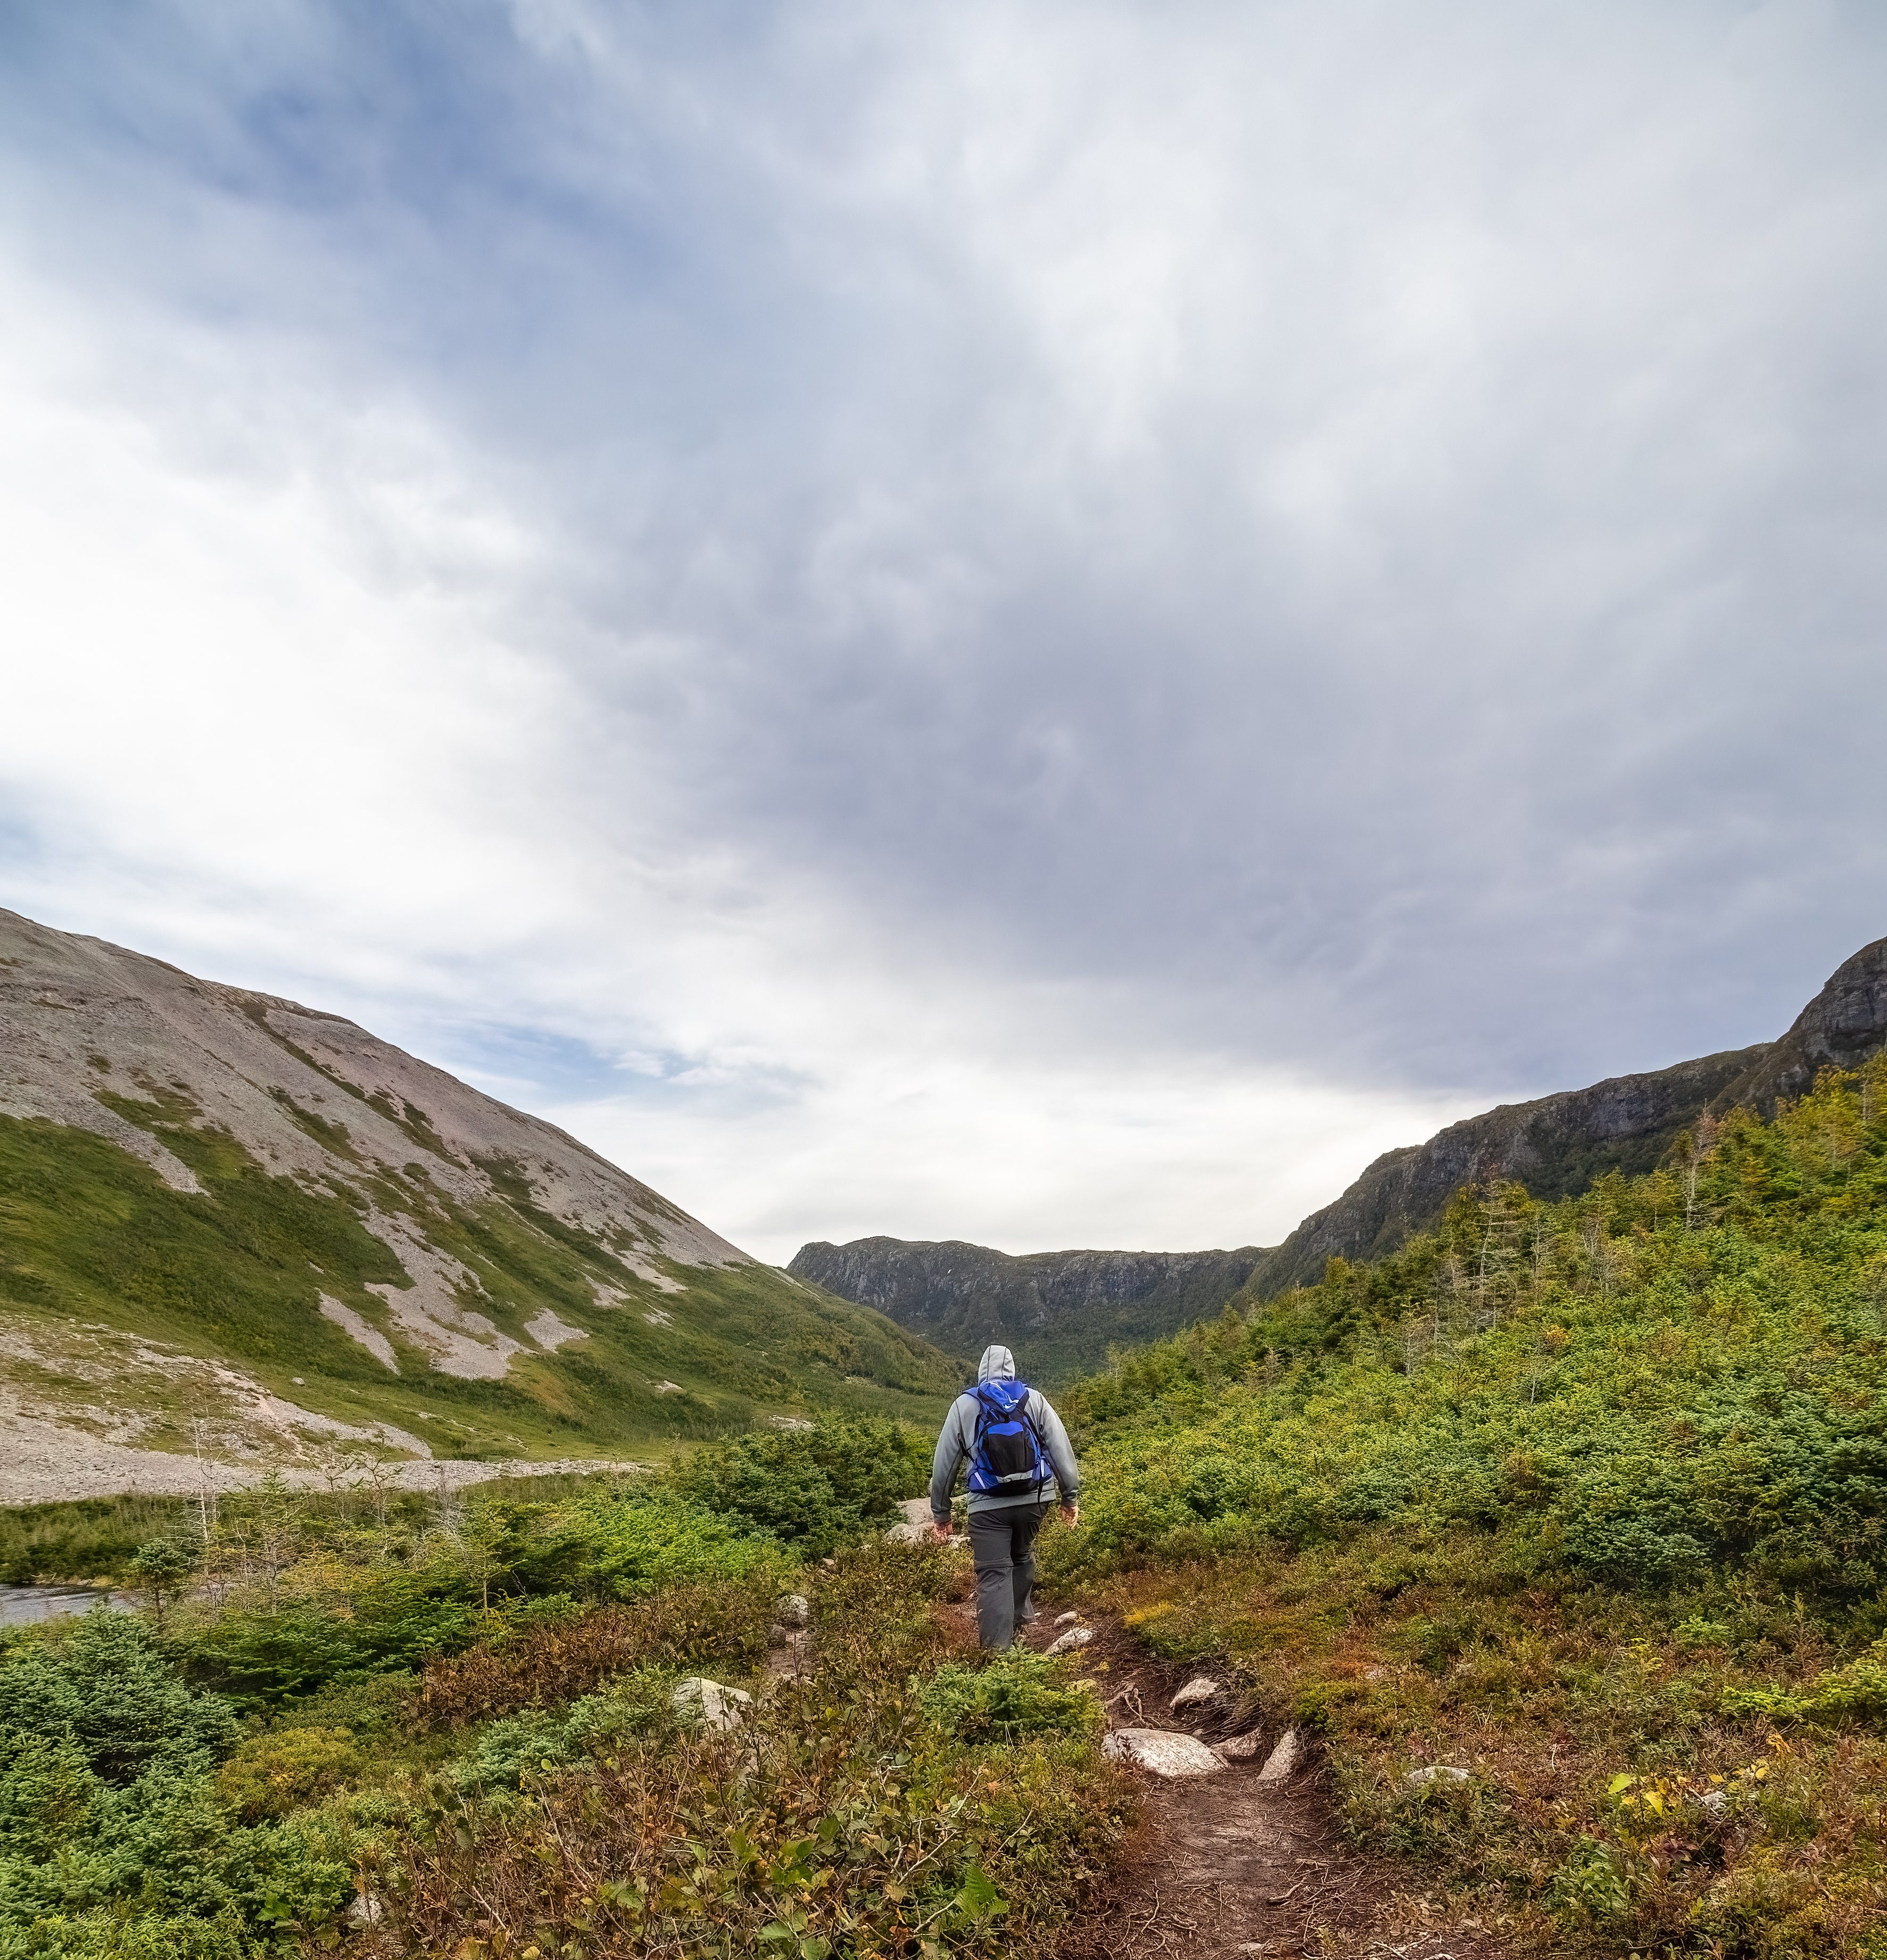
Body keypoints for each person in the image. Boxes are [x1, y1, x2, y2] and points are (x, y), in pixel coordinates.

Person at [929, 1344, 1081, 1650]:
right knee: (1022, 1554)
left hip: (987, 1506)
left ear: (982, 1369)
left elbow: (945, 1463)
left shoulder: (964, 1405)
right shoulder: (1033, 1399)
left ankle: (998, 1655)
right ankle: (1019, 1624)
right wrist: (1070, 1496)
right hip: (1034, 1499)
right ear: (1011, 1369)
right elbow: (1059, 1447)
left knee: (994, 1572)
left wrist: (941, 1512)